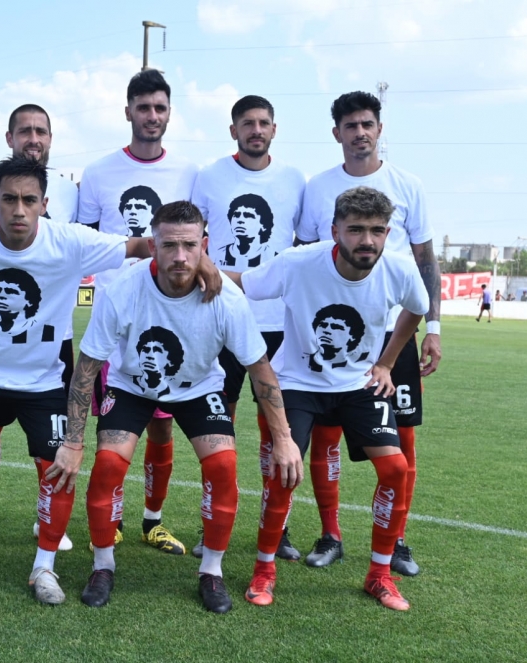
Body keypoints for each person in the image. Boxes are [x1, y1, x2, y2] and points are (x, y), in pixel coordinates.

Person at [0, 156, 218, 604]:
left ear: (44, 204)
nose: (18, 210)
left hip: (42, 380)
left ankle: (43, 568)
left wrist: (204, 263)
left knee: (59, 470)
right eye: (9, 199)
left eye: (29, 200)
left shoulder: (67, 241)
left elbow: (142, 247)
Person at [50, 201, 302, 613]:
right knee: (109, 466)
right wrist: (73, 441)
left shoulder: (227, 297)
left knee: (223, 467)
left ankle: (212, 572)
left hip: (199, 388)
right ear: (153, 245)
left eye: (189, 245)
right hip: (131, 385)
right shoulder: (122, 291)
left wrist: (284, 439)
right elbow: (86, 368)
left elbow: (261, 370)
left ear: (204, 244)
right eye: (169, 245)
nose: (180, 256)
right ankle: (102, 565)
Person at [237, 186, 429, 611]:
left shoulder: (397, 268)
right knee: (283, 472)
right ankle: (264, 570)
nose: (368, 241)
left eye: (377, 230)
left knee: (396, 468)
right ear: (335, 230)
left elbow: (417, 307)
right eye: (356, 229)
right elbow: (244, 284)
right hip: (297, 384)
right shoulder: (298, 263)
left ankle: (379, 575)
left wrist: (386, 362)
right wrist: (197, 270)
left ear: (387, 231)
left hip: (357, 384)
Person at [294, 91, 442, 576]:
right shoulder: (316, 188)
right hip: (331, 337)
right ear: (336, 132)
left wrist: (433, 327)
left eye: (368, 124)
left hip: (392, 332)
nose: (361, 132)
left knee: (401, 439)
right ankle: (330, 533)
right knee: (326, 438)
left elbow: (424, 261)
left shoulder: (409, 184)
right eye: (351, 125)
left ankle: (396, 540)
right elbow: (302, 259)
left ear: (380, 129)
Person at [77, 69, 199, 555]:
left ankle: (153, 519)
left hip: (171, 317)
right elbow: (87, 242)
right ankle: (116, 517)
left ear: (169, 113)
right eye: (144, 108)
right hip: (116, 319)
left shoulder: (189, 173)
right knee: (114, 424)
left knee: (163, 422)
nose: (152, 117)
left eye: (160, 108)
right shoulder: (100, 172)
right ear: (127, 111)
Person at [191, 94, 306, 561]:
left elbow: (307, 247)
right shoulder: (211, 177)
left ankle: (277, 530)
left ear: (274, 129)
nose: (255, 130)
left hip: (278, 324)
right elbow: (194, 239)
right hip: (219, 318)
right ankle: (210, 527)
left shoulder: (294, 180)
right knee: (217, 432)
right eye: (247, 123)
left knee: (275, 431)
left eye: (263, 123)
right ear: (233, 130)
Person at [0, 104, 79, 553]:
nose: (34, 138)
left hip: (52, 338)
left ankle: (46, 519)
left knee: (48, 434)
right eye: (25, 131)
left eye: (41, 131)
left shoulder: (68, 191)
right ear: (9, 136)